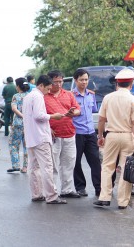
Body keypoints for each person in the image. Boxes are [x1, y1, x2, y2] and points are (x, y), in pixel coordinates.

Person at [93, 68, 134, 209]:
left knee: (107, 167)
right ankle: (122, 202)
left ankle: (104, 197)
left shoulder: (108, 98)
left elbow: (101, 120)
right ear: (131, 84)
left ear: (117, 84)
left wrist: (100, 136)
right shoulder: (133, 100)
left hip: (112, 135)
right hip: (127, 136)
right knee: (125, 168)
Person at [22, 74, 66, 204]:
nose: (48, 92)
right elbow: (38, 116)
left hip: (31, 137)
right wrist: (53, 116)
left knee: (34, 167)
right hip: (41, 137)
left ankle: (37, 194)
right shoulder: (38, 96)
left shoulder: (28, 96)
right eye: (47, 89)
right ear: (41, 85)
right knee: (47, 167)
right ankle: (51, 196)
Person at [44, 70, 82, 198]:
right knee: (53, 165)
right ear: (50, 82)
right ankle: (53, 191)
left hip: (69, 133)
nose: (59, 84)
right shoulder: (43, 97)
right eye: (56, 82)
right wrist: (48, 128)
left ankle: (67, 189)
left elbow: (77, 109)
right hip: (53, 135)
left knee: (69, 163)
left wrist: (73, 113)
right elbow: (39, 116)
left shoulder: (69, 94)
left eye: (61, 81)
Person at [71, 68, 101, 197]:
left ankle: (99, 188)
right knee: (76, 161)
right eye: (81, 80)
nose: (84, 82)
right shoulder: (70, 96)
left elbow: (94, 110)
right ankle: (80, 187)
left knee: (95, 161)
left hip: (90, 133)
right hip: (77, 133)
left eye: (86, 80)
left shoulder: (91, 95)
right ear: (75, 80)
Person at [7, 77, 30, 173]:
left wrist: (22, 116)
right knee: (27, 145)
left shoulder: (16, 96)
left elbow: (14, 109)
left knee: (13, 144)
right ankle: (25, 167)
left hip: (17, 124)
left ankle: (16, 165)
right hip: (29, 124)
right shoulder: (30, 96)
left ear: (18, 86)